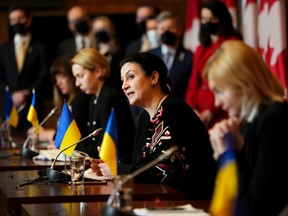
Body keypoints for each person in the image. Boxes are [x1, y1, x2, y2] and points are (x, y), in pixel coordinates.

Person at [91, 52, 216, 199]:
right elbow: (140, 164)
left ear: (154, 78)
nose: (124, 86)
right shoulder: (145, 115)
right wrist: (112, 164)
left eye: (131, 77)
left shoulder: (174, 111)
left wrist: (118, 169)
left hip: (191, 201)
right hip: (160, 198)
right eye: (122, 80)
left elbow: (166, 169)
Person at [203, 40, 288, 216]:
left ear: (243, 84)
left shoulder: (275, 120)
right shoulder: (249, 120)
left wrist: (228, 154)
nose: (217, 102)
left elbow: (254, 209)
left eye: (219, 91)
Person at [185, 0, 242, 129]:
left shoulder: (232, 43)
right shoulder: (201, 48)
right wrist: (192, 108)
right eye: (204, 19)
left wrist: (211, 111)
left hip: (222, 110)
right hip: (199, 114)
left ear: (222, 19)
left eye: (212, 18)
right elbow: (194, 82)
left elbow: (231, 82)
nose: (207, 23)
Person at [70, 48, 135, 161]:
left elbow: (102, 148)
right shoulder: (95, 99)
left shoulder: (109, 98)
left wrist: (70, 145)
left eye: (80, 76)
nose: (77, 83)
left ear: (98, 71)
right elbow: (93, 143)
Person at [0, 6, 50, 131]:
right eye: (13, 19)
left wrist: (26, 93)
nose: (17, 22)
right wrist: (12, 94)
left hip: (33, 105)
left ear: (28, 20)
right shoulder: (3, 49)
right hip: (10, 106)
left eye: (20, 18)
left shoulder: (41, 47)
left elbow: (44, 75)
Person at [27, 55, 91, 146]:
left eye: (62, 77)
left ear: (72, 76)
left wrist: (48, 134)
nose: (58, 82)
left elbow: (73, 138)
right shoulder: (66, 102)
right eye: (56, 79)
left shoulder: (80, 101)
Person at [149, 11, 192, 100]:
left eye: (170, 28)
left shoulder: (189, 57)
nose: (166, 32)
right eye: (162, 28)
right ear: (157, 31)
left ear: (179, 30)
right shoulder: (149, 56)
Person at [91, 16, 124, 88]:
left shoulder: (120, 54)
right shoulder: (93, 55)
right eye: (97, 29)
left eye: (103, 28)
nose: (100, 31)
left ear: (110, 30)